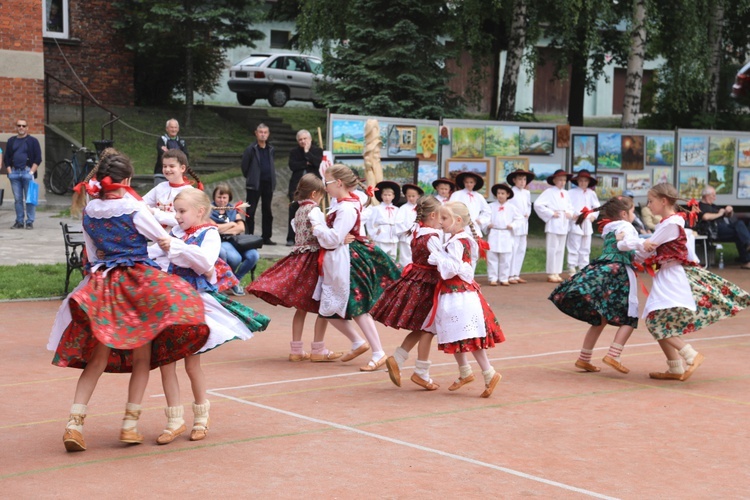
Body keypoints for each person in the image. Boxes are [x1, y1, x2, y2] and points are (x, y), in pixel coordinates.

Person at [48, 150, 209, 452]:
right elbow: (160, 238)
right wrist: (178, 242)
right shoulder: (134, 207)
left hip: (103, 284)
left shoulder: (90, 209)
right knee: (143, 357)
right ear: (128, 180)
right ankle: (129, 424)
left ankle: (74, 423)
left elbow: (92, 253)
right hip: (136, 286)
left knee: (97, 357)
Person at [152, 189, 269, 445]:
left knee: (192, 364)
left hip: (193, 304)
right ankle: (174, 420)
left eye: (182, 211)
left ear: (199, 212)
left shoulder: (210, 234)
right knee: (166, 362)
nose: (177, 216)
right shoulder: (176, 233)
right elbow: (156, 256)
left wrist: (176, 246)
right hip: (170, 303)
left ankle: (201, 416)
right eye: (175, 211)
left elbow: (205, 264)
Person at [640, 183, 750, 381]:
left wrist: (625, 243)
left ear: (663, 201)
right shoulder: (676, 221)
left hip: (671, 277)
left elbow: (645, 249)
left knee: (655, 321)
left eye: (651, 201)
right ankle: (675, 368)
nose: (648, 205)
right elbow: (687, 250)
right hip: (669, 274)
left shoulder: (670, 224)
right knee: (654, 317)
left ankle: (690, 354)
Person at [310, 164, 401, 371]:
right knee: (328, 308)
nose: (326, 187)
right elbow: (337, 237)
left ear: (339, 183)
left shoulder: (347, 207)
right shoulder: (342, 204)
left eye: (328, 183)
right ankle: (359, 342)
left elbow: (333, 239)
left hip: (347, 261)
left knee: (358, 307)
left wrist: (318, 226)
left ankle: (378, 352)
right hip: (337, 260)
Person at [248, 173, 345, 362]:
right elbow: (321, 235)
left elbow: (298, 232)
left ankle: (296, 349)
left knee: (300, 308)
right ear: (316, 193)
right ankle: (318, 348)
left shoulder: (298, 211)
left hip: (299, 258)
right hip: (313, 260)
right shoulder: (314, 211)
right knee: (322, 303)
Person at [549, 195, 641, 374]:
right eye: (632, 212)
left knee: (601, 316)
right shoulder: (626, 226)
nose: (634, 215)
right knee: (631, 313)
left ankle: (584, 358)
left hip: (605, 269)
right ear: (624, 214)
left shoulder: (608, 228)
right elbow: (624, 246)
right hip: (621, 272)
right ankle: (614, 354)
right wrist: (643, 244)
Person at [425, 201, 505, 398]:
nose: (441, 222)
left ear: (458, 220)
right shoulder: (462, 239)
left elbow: (453, 268)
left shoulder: (456, 242)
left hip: (458, 295)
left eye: (444, 218)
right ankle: (466, 372)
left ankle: (489, 372)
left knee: (466, 334)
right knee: (456, 333)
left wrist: (437, 258)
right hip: (459, 293)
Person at [371, 195, 443, 390]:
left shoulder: (418, 232)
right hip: (427, 284)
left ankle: (398, 359)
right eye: (442, 217)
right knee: (427, 328)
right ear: (434, 215)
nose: (442, 222)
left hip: (417, 281)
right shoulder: (432, 237)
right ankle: (421, 372)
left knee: (422, 327)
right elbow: (441, 262)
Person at [210, 183, 259, 296]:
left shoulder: (233, 209)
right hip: (221, 241)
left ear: (229, 198)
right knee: (235, 258)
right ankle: (227, 281)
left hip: (236, 241)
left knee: (253, 255)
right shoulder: (210, 210)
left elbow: (241, 227)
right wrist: (232, 224)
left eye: (224, 197)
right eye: (219, 197)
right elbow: (214, 228)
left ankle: (234, 280)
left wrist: (224, 228)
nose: (221, 200)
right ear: (214, 197)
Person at [143, 149, 203, 228]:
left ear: (182, 168)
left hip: (179, 237)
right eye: (164, 166)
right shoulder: (160, 187)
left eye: (171, 166)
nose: (167, 169)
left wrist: (154, 212)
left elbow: (183, 219)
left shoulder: (189, 191)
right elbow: (142, 203)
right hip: (158, 236)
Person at [533, 169, 574, 283]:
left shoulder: (566, 193)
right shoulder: (549, 192)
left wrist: (569, 213)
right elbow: (538, 204)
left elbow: (571, 206)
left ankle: (557, 272)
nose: (562, 182)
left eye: (564, 180)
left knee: (560, 248)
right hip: (554, 222)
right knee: (552, 248)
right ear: (555, 180)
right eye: (560, 180)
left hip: (563, 221)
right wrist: (551, 213)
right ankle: (551, 272)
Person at [698, 185, 750, 269]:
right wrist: (720, 214)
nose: (715, 198)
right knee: (740, 227)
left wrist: (729, 211)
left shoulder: (713, 206)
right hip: (713, 231)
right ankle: (747, 248)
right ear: (707, 196)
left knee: (741, 231)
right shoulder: (699, 206)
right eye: (713, 195)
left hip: (724, 229)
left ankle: (747, 260)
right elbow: (705, 217)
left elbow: (727, 215)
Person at [241, 123, 277, 245]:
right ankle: (249, 236)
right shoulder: (251, 149)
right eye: (260, 132)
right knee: (250, 211)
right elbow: (244, 167)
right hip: (254, 185)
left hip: (268, 184)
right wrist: (252, 177)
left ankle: (266, 237)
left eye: (265, 132)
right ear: (256, 133)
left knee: (267, 211)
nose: (263, 134)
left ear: (268, 134)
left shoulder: (271, 149)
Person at [287, 129, 323, 246]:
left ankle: (312, 236)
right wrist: (306, 162)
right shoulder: (294, 152)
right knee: (293, 208)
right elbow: (293, 166)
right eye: (300, 139)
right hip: (297, 185)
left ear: (310, 139)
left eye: (305, 139)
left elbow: (316, 163)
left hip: (313, 185)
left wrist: (307, 153)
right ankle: (291, 237)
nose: (303, 141)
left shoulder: (317, 150)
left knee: (312, 210)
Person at [4, 119, 42, 229]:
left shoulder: (33, 141)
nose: (21, 127)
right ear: (16, 127)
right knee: (17, 200)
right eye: (19, 125)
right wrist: (10, 172)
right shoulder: (11, 141)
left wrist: (31, 172)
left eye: (23, 126)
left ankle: (29, 221)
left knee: (30, 199)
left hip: (27, 172)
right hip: (14, 173)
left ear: (27, 128)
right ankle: (19, 221)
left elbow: (38, 158)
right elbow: (7, 158)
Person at [566, 170, 601, 275]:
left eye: (585, 181)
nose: (583, 183)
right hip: (576, 221)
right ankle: (572, 266)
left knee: (585, 246)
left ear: (588, 182)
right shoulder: (571, 193)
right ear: (577, 181)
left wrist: (593, 216)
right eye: (581, 180)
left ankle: (583, 266)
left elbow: (596, 207)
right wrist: (572, 214)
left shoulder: (591, 193)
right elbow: (567, 206)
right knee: (574, 245)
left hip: (587, 222)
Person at [486, 183, 521, 286]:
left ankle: (504, 277)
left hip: (506, 233)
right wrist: (488, 224)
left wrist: (513, 225)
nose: (500, 195)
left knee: (505, 257)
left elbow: (519, 219)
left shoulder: (512, 207)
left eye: (503, 193)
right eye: (498, 193)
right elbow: (485, 216)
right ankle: (493, 277)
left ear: (507, 194)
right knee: (492, 256)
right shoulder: (491, 206)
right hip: (494, 232)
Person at [506, 169, 535, 284]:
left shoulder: (526, 193)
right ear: (514, 180)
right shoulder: (511, 192)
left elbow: (528, 206)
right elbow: (510, 208)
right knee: (513, 248)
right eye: (520, 179)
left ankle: (516, 273)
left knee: (521, 249)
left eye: (524, 179)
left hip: (524, 223)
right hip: (514, 223)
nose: (522, 182)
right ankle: (509, 274)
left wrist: (528, 213)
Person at [367, 180, 401, 260]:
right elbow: (370, 222)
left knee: (392, 257)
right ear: (381, 196)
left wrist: (398, 232)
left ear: (393, 196)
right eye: (385, 195)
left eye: (389, 195)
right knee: (381, 256)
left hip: (393, 236)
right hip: (381, 236)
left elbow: (400, 222)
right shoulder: (376, 209)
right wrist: (374, 232)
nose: (387, 197)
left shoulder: (397, 210)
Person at [449, 172, 490, 237]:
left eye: (471, 182)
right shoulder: (457, 194)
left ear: (475, 183)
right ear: (463, 182)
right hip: (460, 225)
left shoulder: (479, 196)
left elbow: (487, 211)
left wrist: (480, 220)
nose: (469, 184)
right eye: (466, 182)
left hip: (474, 226)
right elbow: (450, 208)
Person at [395, 183, 424, 267]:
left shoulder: (421, 208)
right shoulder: (403, 208)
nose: (411, 198)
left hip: (418, 235)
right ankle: (405, 271)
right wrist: (408, 230)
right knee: (405, 256)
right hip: (406, 236)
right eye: (409, 196)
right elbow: (398, 222)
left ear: (418, 196)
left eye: (413, 196)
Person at [153, 118, 188, 186]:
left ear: (178, 129)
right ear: (167, 129)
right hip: (161, 174)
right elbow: (163, 153)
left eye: (175, 127)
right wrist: (178, 155)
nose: (173, 129)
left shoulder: (182, 141)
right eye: (171, 127)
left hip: (177, 174)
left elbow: (185, 156)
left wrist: (168, 151)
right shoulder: (162, 139)